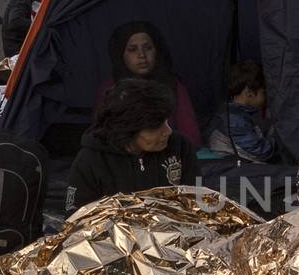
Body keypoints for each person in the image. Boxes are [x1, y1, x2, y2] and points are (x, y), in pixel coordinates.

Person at [64, 78, 200, 212]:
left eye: (166, 121)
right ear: (127, 130)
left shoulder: (181, 147)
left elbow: (197, 203)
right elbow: (76, 220)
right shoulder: (90, 161)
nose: (168, 131)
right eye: (155, 127)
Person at [102, 20, 201, 145]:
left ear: (157, 51)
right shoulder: (111, 88)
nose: (142, 55)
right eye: (132, 49)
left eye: (148, 48)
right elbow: (103, 136)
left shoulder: (172, 85)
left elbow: (191, 136)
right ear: (120, 54)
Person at [207, 60, 279, 163]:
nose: (267, 98)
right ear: (249, 93)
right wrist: (280, 132)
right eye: (263, 93)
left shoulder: (239, 113)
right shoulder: (234, 120)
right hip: (232, 170)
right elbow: (261, 153)